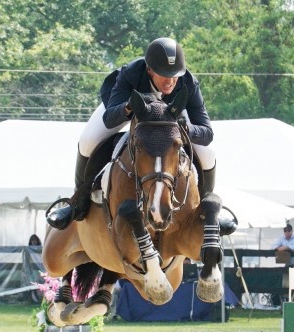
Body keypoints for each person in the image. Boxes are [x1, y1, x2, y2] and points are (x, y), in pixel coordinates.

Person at [46, 37, 236, 236]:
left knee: (207, 153)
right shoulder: (131, 73)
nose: (170, 81)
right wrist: (129, 107)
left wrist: (185, 129)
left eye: (175, 75)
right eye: (164, 75)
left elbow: (207, 133)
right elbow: (110, 119)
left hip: (171, 119)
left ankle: (207, 212)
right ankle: (78, 202)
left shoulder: (188, 82)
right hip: (129, 108)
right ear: (149, 70)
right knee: (87, 141)